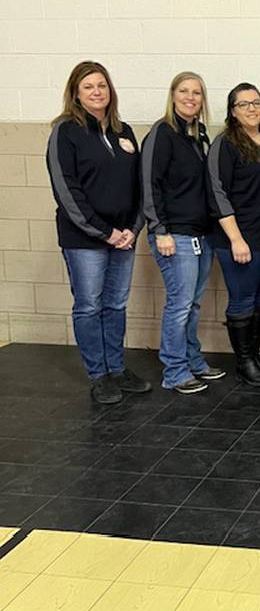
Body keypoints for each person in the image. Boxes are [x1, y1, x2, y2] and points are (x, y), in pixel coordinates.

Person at [46, 61, 150, 405]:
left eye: (102, 85)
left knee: (116, 304)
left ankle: (117, 368)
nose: (96, 92)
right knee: (89, 306)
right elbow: (67, 190)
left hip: (125, 238)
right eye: (89, 86)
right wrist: (105, 233)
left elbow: (139, 187)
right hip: (86, 240)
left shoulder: (124, 132)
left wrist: (132, 229)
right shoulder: (66, 132)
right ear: (76, 92)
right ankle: (99, 375)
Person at [142, 72, 224, 395]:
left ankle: (192, 360)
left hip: (200, 234)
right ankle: (174, 371)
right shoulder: (162, 133)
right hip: (173, 234)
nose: (191, 97)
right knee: (179, 304)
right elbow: (149, 183)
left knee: (193, 304)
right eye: (184, 91)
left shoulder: (198, 135)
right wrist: (158, 229)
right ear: (173, 95)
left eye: (197, 93)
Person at [207, 83, 260, 387]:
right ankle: (243, 363)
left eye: (257, 103)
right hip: (240, 239)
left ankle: (254, 357)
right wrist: (236, 239)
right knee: (243, 299)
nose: (252, 109)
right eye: (243, 104)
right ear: (232, 111)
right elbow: (217, 193)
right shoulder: (225, 143)